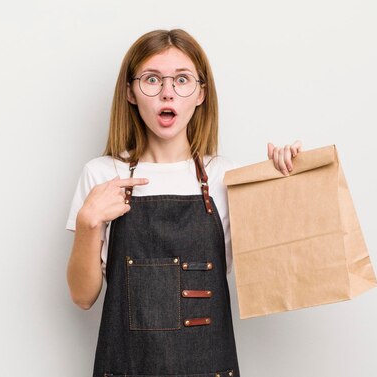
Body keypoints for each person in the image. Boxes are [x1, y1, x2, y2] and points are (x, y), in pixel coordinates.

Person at [65, 29, 303, 377]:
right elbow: (82, 297)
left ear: (201, 94)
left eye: (181, 80)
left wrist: (286, 183)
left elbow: (280, 275)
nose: (167, 93)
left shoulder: (228, 177)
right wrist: (88, 223)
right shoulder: (102, 174)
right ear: (131, 93)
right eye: (151, 79)